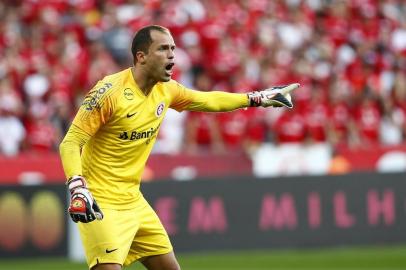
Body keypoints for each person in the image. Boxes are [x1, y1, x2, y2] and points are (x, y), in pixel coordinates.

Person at [59, 25, 299, 270]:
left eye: (173, 48)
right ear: (141, 57)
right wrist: (78, 188)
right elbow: (70, 142)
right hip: (100, 201)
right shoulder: (108, 92)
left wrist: (256, 98)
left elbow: (207, 100)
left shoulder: (167, 90)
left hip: (133, 200)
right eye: (163, 49)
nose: (172, 54)